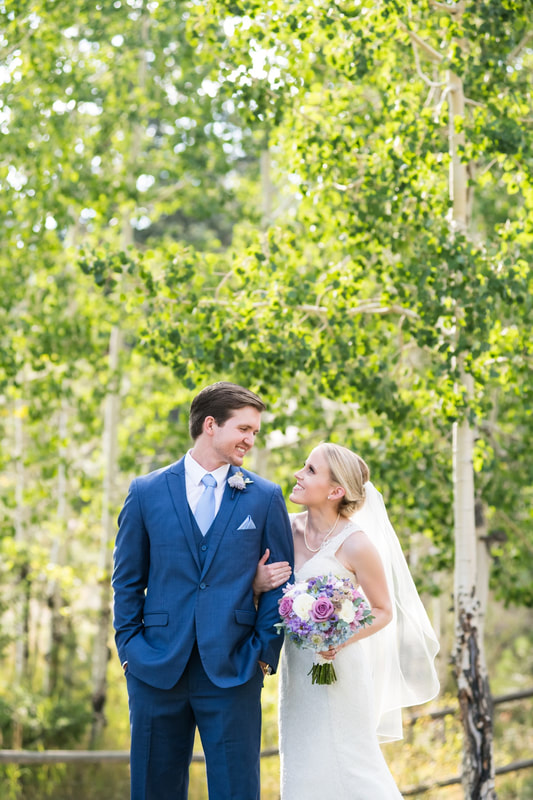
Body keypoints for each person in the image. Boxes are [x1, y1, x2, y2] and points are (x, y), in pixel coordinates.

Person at [112, 381, 294, 800]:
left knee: (236, 790)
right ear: (210, 425)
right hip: (155, 667)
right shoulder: (146, 492)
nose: (251, 440)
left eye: (255, 432)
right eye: (244, 429)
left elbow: (282, 582)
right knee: (154, 789)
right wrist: (129, 652)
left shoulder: (264, 497)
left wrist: (264, 656)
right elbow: (126, 580)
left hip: (234, 669)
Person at [254, 442, 440, 800]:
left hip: (339, 668)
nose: (298, 474)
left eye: (310, 470)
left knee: (352, 762)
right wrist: (257, 585)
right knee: (303, 763)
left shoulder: (356, 544)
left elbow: (383, 611)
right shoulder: (283, 530)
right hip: (297, 672)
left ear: (336, 490)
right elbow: (262, 590)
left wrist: (338, 637)